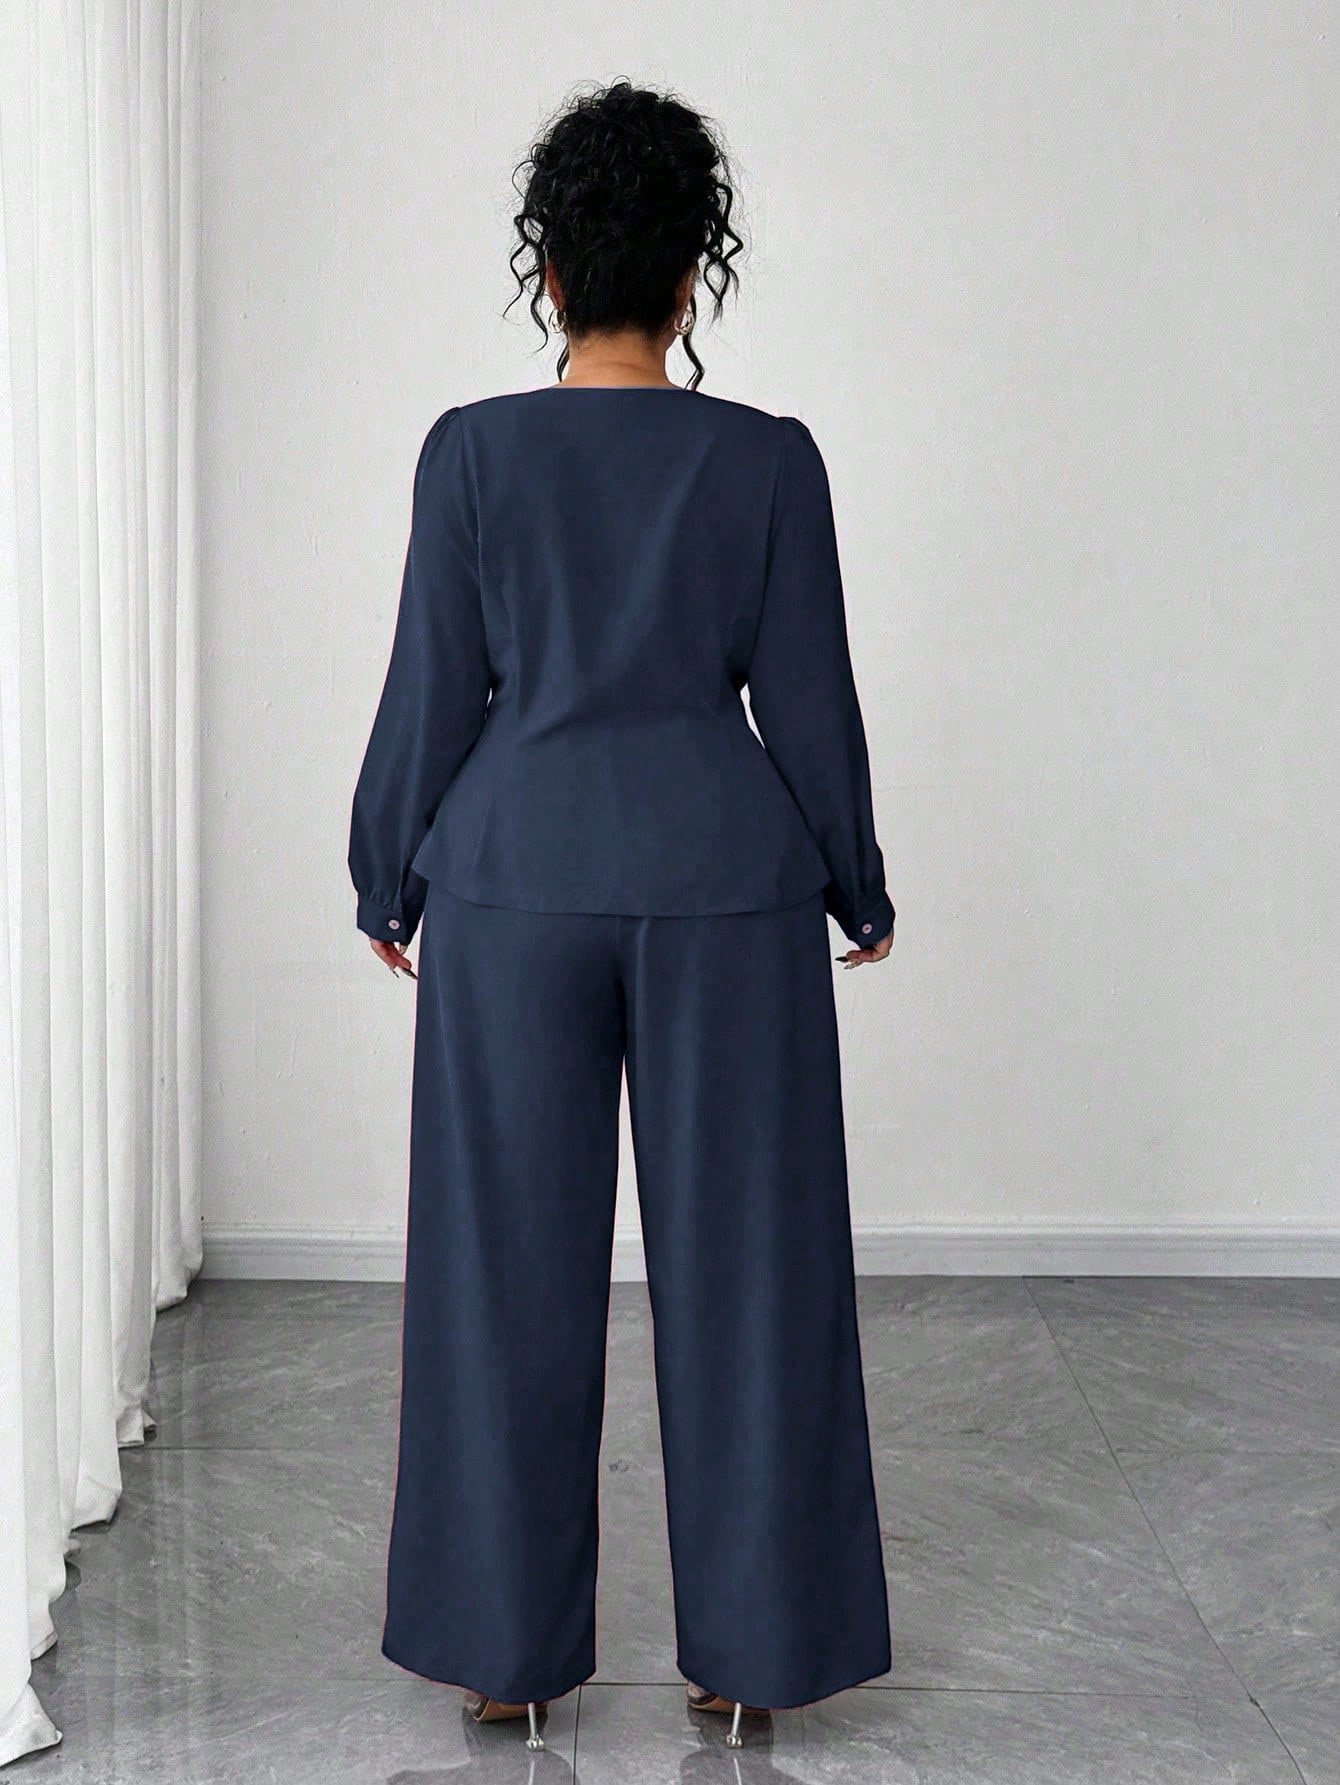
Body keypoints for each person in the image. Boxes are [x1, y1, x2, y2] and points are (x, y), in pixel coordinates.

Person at [349, 80, 894, 1752]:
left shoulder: (472, 453)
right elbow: (808, 701)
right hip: (727, 883)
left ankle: (502, 1652)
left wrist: (387, 869)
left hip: (514, 880)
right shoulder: (769, 460)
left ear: (549, 271)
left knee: (501, 1268)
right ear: (687, 276)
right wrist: (857, 877)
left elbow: (435, 688)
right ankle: (753, 1653)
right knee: (754, 1268)